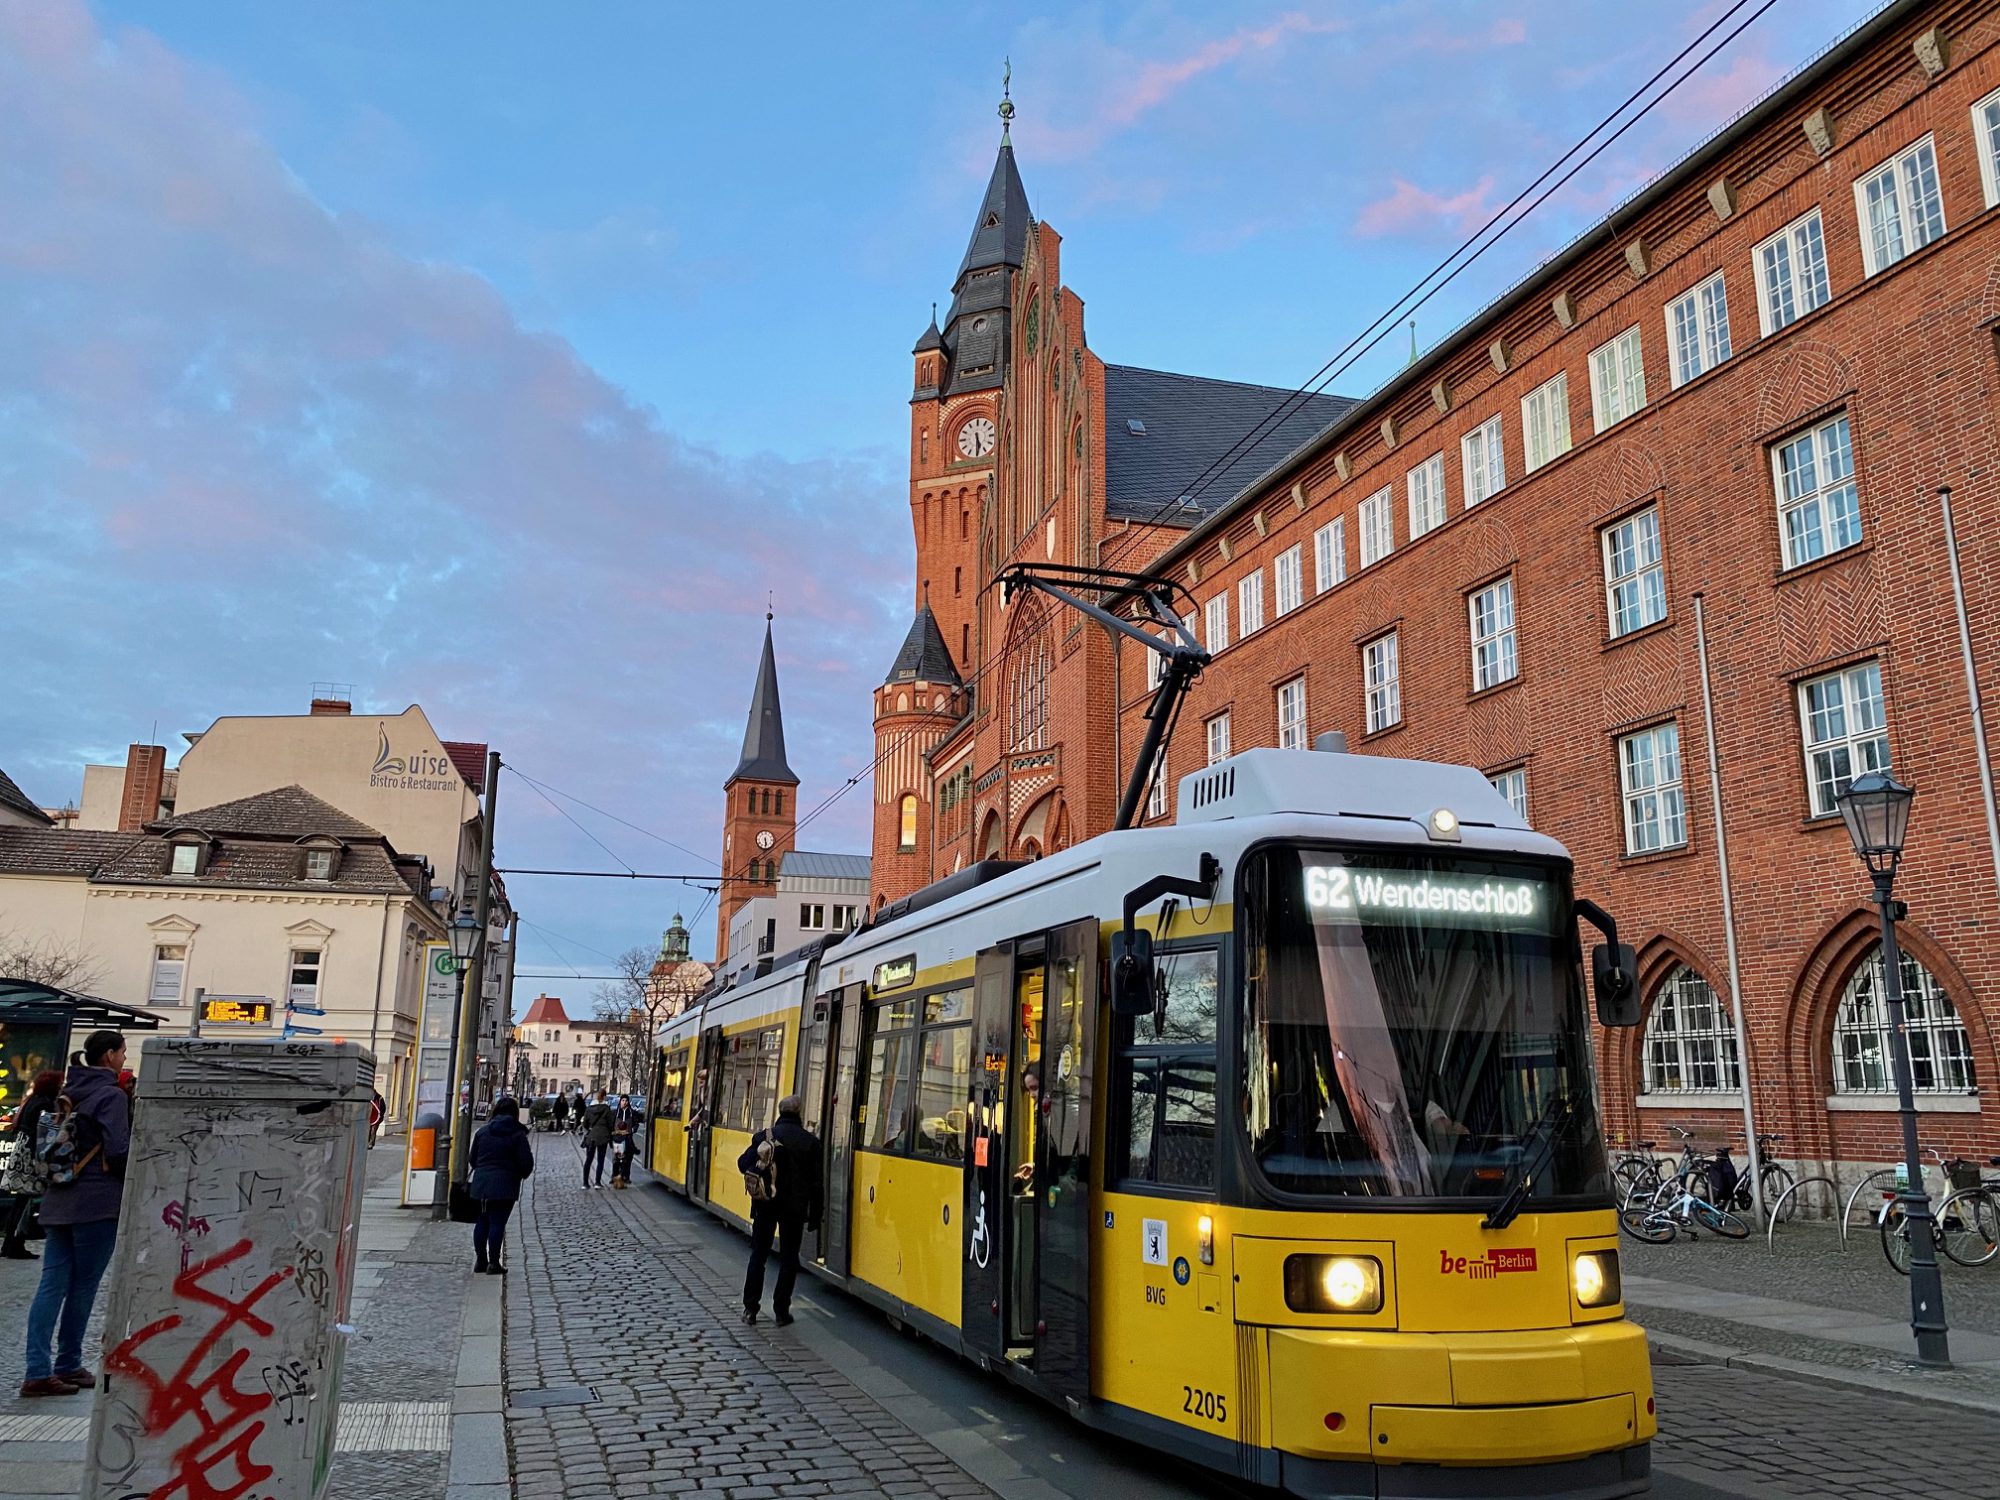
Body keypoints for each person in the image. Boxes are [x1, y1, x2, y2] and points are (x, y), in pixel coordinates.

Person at [21, 1030, 130, 1398]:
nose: (124, 1059)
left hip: (58, 1201)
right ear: (110, 1055)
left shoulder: (68, 1092)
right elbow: (117, 1150)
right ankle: (67, 1362)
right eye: (123, 1052)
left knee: (50, 1286)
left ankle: (37, 1370)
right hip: (96, 1203)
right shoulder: (110, 1095)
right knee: (83, 1286)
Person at [738, 1094, 822, 1327]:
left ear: (779, 1112)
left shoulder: (765, 1137)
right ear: (799, 1113)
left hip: (765, 1205)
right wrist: (815, 1215)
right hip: (794, 1209)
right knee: (788, 1259)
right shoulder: (811, 1143)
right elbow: (817, 1184)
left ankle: (750, 1309)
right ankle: (781, 1311)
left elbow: (742, 1164)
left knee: (759, 1255)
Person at [466, 1097, 534, 1274]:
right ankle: (493, 1263)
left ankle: (481, 1260)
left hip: (481, 1184)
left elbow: (472, 1159)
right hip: (505, 1185)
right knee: (497, 1223)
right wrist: (518, 1175)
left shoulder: (482, 1132)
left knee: (481, 1222)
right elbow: (526, 1162)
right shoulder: (518, 1134)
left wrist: (482, 1169)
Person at [1, 1071, 61, 1260]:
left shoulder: (32, 1101)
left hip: (23, 1151)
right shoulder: (44, 1104)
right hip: (31, 1155)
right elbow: (44, 1132)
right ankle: (14, 1242)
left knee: (21, 1200)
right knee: (24, 1201)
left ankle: (10, 1242)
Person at [580, 1088, 614, 1188]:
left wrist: (590, 1128)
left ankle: (585, 1183)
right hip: (603, 1135)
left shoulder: (589, 1108)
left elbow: (585, 1123)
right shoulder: (606, 1108)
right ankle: (597, 1182)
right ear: (604, 1096)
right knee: (600, 1159)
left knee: (588, 1159)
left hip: (591, 1136)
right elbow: (610, 1124)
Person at [609, 1094, 641, 1189]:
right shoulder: (615, 1112)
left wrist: (632, 1130)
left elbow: (636, 1124)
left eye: (626, 1101)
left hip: (628, 1138)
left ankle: (626, 1176)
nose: (624, 1102)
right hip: (617, 1138)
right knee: (617, 1158)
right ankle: (615, 1176)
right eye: (623, 1100)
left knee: (627, 1158)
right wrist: (612, 1133)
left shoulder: (631, 1112)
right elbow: (611, 1124)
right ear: (620, 1101)